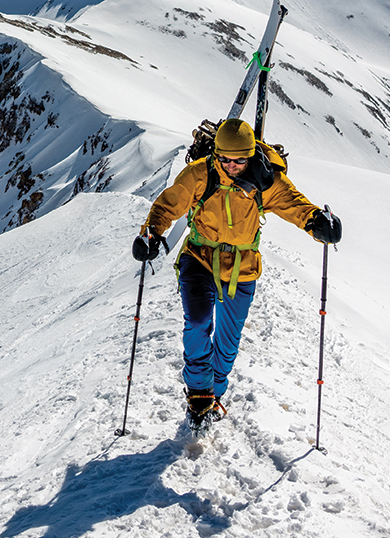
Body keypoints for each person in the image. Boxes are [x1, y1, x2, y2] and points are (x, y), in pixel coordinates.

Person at [131, 118, 341, 428]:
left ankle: (215, 393)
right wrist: (150, 233)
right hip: (199, 258)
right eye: (225, 159)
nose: (231, 166)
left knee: (227, 345)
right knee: (199, 321)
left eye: (239, 160)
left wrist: (316, 222)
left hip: (242, 267)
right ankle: (200, 395)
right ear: (216, 154)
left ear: (250, 156)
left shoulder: (265, 180)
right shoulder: (200, 174)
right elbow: (168, 205)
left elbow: (293, 204)